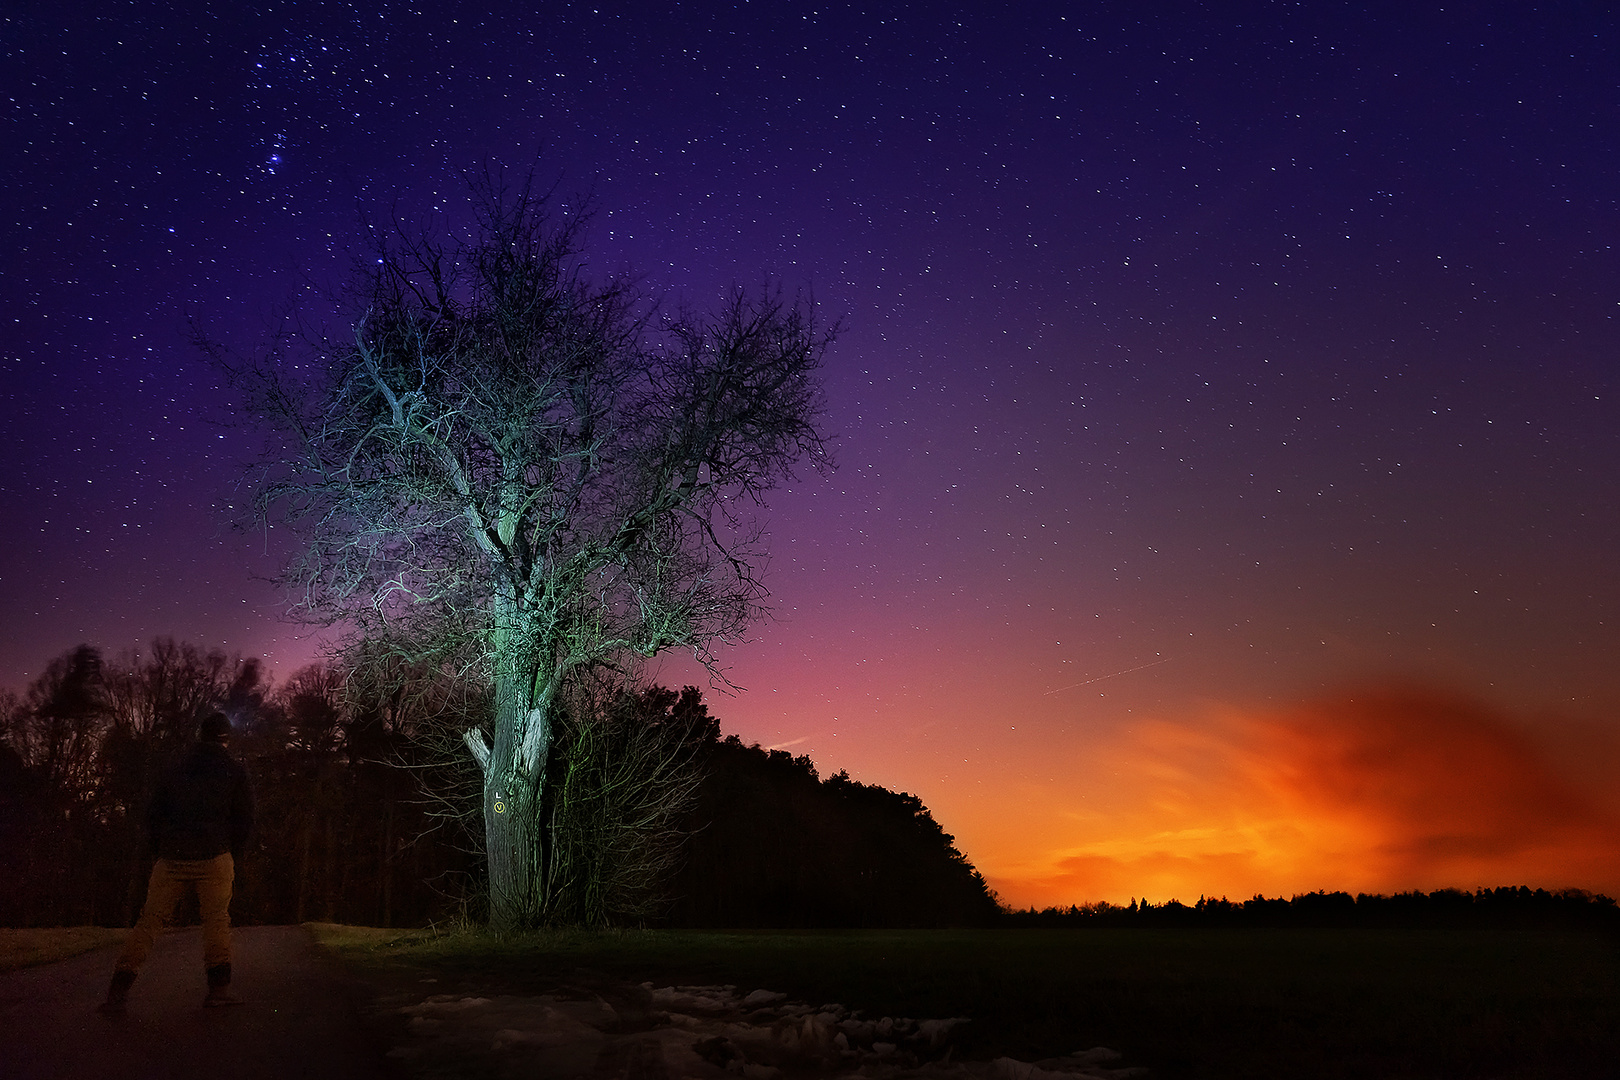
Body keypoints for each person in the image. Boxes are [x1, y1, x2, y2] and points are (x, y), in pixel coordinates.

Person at [99, 710, 254, 1015]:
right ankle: (219, 989)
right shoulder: (235, 771)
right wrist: (231, 850)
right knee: (216, 921)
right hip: (214, 855)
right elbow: (244, 819)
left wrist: (160, 849)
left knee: (150, 921)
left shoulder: (174, 769)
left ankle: (118, 990)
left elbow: (152, 815)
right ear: (225, 738)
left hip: (171, 857)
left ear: (201, 735)